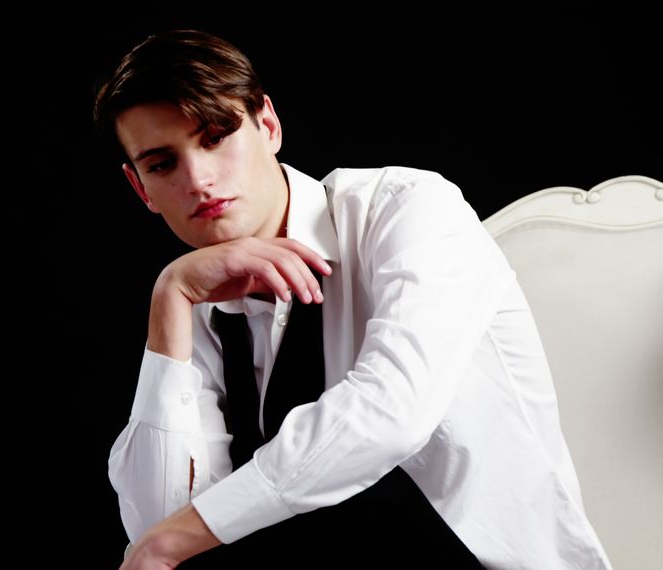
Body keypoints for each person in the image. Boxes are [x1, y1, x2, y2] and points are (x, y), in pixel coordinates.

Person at [94, 29, 613, 569]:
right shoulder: (200, 293)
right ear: (141, 189)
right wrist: (171, 299)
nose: (198, 180)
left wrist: (172, 539)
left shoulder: (411, 210)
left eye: (216, 137)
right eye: (162, 164)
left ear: (267, 125)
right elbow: (160, 521)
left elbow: (391, 412)